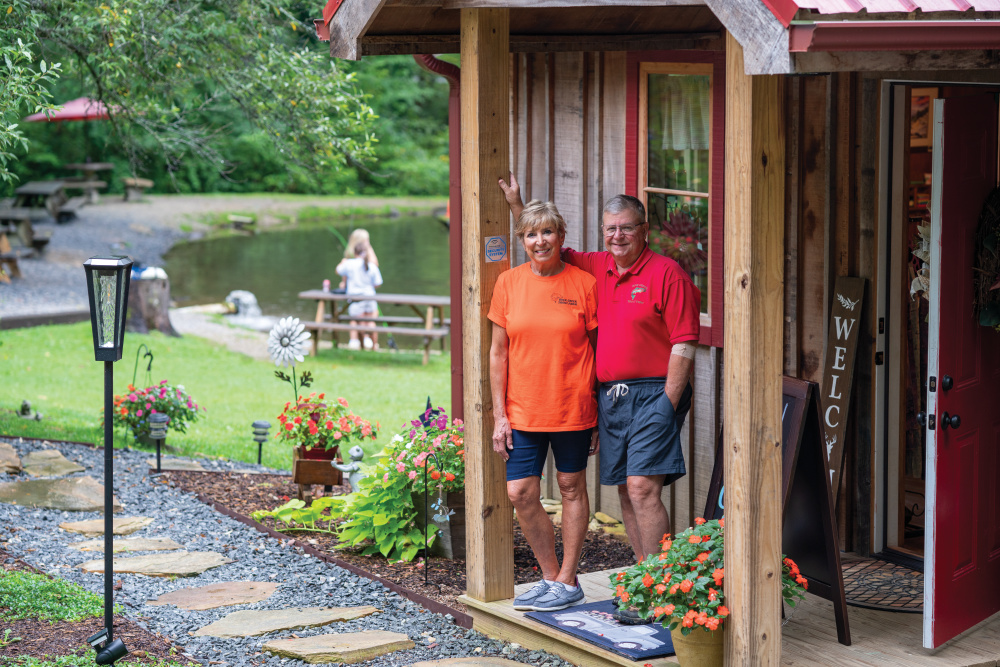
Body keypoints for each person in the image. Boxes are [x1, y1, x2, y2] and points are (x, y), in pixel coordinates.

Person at [500, 175, 700, 621]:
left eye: (626, 228)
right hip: (612, 397)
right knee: (626, 495)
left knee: (641, 487)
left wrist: (668, 402)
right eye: (610, 229)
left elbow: (684, 344)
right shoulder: (596, 268)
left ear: (644, 229)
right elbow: (542, 243)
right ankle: (644, 582)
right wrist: (517, 204)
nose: (617, 236)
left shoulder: (668, 274)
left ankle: (661, 588)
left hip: (654, 392)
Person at [488, 200, 600, 612]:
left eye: (548, 232)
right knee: (520, 492)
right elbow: (498, 354)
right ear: (522, 241)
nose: (540, 241)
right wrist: (500, 416)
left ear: (561, 237)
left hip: (572, 407)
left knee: (571, 487)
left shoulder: (584, 285)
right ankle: (552, 577)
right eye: (531, 234)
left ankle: (568, 579)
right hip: (523, 411)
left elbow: (598, 351)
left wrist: (598, 417)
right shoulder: (509, 284)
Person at [336, 241, 384, 350]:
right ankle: (374, 346)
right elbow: (378, 283)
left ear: (354, 252)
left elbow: (338, 270)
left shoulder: (349, 264)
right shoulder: (372, 265)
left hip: (355, 299)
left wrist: (342, 262)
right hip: (370, 298)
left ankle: (360, 345)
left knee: (358, 322)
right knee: (371, 322)